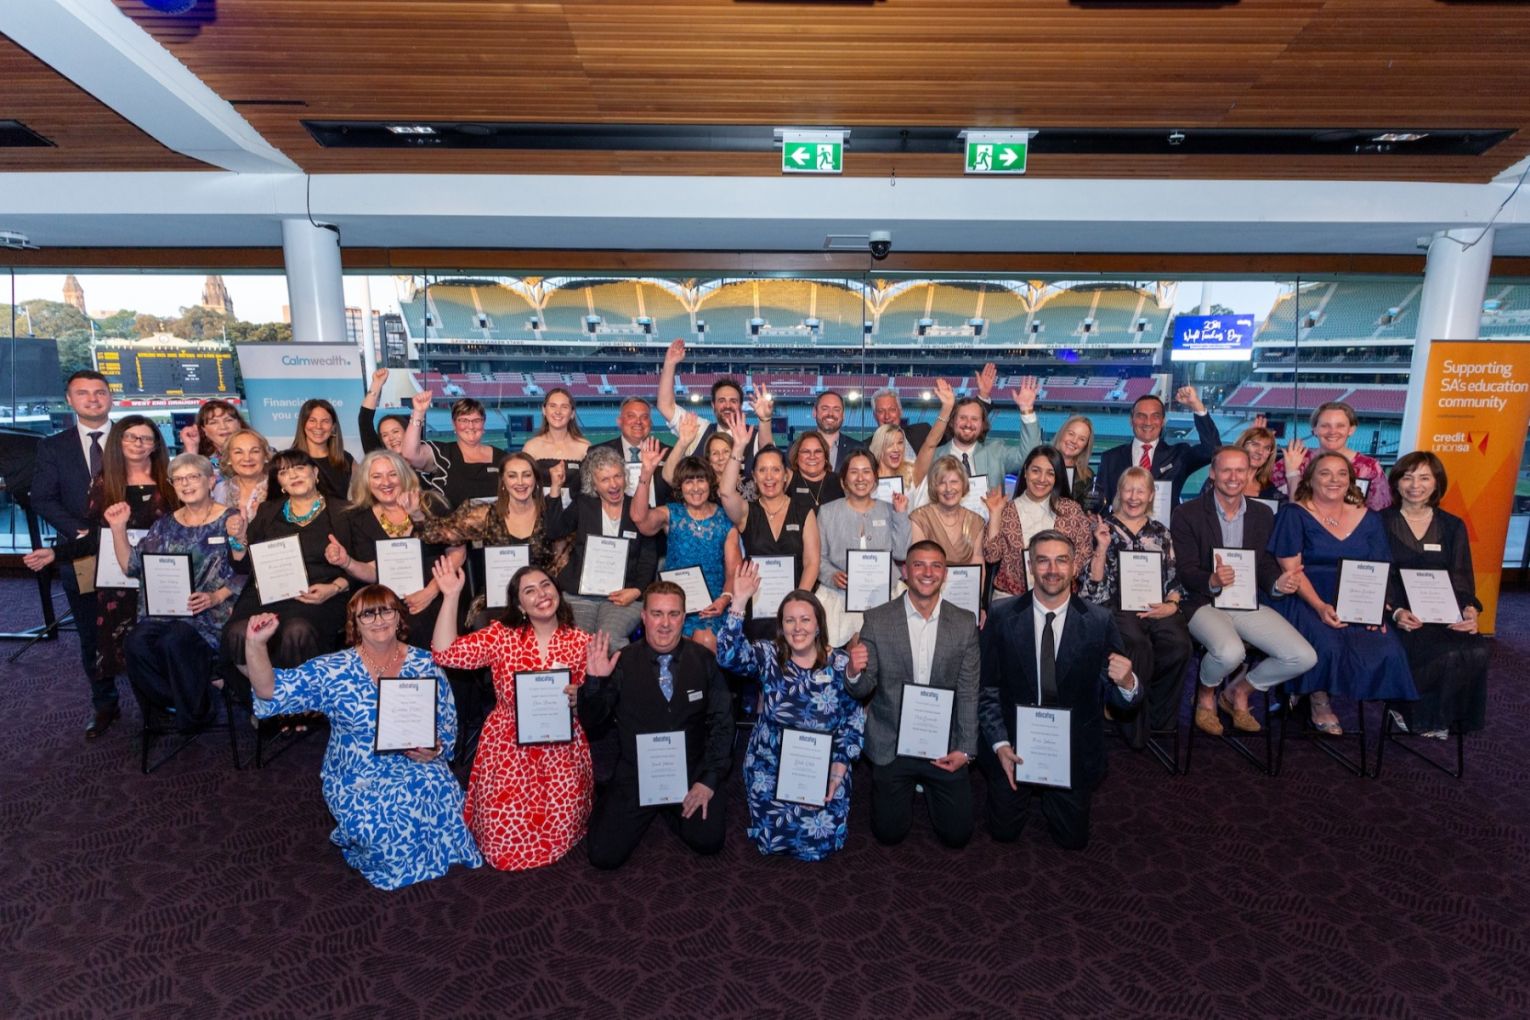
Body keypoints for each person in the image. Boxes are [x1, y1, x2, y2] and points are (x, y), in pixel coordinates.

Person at [242, 594, 483, 890]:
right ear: (354, 624)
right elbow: (269, 691)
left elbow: (445, 728)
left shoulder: (426, 663)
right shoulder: (333, 670)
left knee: (446, 808)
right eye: (367, 615)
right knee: (384, 832)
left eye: (386, 611)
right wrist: (256, 644)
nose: (379, 620)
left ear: (399, 617)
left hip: (416, 764)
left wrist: (433, 751)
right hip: (357, 774)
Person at [978, 529, 1143, 850]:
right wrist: (1000, 744)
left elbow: (1122, 702)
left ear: (1074, 565)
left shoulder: (1098, 621)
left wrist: (1127, 684)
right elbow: (987, 689)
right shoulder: (1001, 616)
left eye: (1061, 561)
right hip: (1014, 741)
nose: (1052, 570)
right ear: (1030, 565)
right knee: (1002, 833)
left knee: (1073, 841)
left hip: (1071, 746)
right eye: (1043, 561)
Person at [431, 558, 595, 871]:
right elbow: (446, 653)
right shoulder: (501, 636)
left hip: (561, 749)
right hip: (508, 747)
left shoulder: (581, 642)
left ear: (557, 591)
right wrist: (451, 596)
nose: (541, 595)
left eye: (546, 585)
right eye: (529, 591)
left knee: (558, 831)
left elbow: (598, 706)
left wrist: (583, 695)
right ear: (519, 605)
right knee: (500, 845)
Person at [30, 416, 178, 722]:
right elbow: (95, 537)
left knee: (158, 642)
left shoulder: (172, 481)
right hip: (117, 579)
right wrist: (54, 553)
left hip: (162, 577)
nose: (138, 444)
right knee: (114, 643)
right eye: (131, 437)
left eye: (146, 438)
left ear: (156, 444)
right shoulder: (104, 482)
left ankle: (159, 707)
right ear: (118, 443)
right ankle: (109, 709)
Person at [578, 582, 734, 869]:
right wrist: (595, 683)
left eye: (673, 614)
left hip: (690, 770)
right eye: (657, 613)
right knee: (603, 856)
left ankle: (666, 807)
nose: (664, 623)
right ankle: (628, 802)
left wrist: (708, 780)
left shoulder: (703, 661)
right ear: (644, 617)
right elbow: (592, 721)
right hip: (636, 771)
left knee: (709, 841)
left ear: (684, 617)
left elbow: (723, 722)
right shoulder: (621, 662)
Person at [717, 566, 866, 861]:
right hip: (770, 763)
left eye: (805, 620)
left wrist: (839, 768)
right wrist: (738, 603)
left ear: (819, 624)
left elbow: (854, 719)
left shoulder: (840, 663)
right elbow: (727, 656)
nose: (798, 628)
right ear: (781, 626)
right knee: (774, 842)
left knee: (822, 843)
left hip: (822, 766)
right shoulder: (768, 656)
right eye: (790, 620)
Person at [1268, 450, 1417, 735]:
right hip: (1305, 596)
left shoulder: (1370, 519)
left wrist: (1376, 609)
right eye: (1325, 473)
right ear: (1310, 479)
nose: (1333, 480)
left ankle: (1392, 708)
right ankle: (1319, 699)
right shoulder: (1293, 513)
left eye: (1341, 474)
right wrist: (1321, 607)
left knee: (1386, 646)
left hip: (1357, 595)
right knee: (1327, 644)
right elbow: (1293, 571)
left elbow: (1379, 567)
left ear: (1351, 481)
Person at [1171, 446, 1316, 736]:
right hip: (1203, 601)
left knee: (1302, 656)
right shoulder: (1187, 513)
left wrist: (1278, 584)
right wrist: (1211, 579)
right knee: (1230, 653)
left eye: (1241, 470)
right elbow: (1184, 570)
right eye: (1226, 470)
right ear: (1213, 473)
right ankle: (1205, 695)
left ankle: (1238, 691)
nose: (1233, 477)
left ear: (1250, 473)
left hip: (1246, 602)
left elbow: (1262, 563)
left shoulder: (1262, 514)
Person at [845, 540, 980, 849]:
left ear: (945, 573)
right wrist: (853, 671)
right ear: (905, 571)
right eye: (919, 565)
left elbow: (969, 691)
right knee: (888, 835)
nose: (927, 572)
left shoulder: (963, 623)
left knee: (958, 836)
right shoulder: (878, 619)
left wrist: (966, 750)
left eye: (936, 566)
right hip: (892, 741)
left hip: (943, 745)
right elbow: (863, 688)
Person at [107, 453, 243, 732]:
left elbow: (248, 572)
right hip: (166, 612)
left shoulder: (231, 520)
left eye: (193, 476)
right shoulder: (166, 525)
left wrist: (216, 596)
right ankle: (186, 701)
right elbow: (133, 567)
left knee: (175, 642)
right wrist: (118, 529)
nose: (186, 483)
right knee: (136, 643)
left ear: (211, 480)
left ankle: (192, 710)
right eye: (179, 479)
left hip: (213, 614)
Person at [26, 370, 117, 736]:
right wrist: (78, 532)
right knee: (92, 632)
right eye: (83, 393)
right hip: (80, 554)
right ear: (69, 400)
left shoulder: (134, 438)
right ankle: (105, 704)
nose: (93, 399)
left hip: (133, 546)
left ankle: (154, 703)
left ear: (111, 397)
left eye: (100, 392)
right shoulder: (53, 446)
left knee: (144, 627)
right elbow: (42, 497)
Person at [1381, 451, 1489, 739]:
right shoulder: (1378, 522)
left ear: (1436, 483)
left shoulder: (1453, 525)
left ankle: (1441, 715)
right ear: (1397, 483)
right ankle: (1408, 707)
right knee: (1439, 651)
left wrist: (1469, 610)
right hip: (1398, 611)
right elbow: (1377, 577)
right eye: (1408, 476)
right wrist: (1395, 612)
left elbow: (1461, 576)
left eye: (1424, 477)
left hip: (1443, 610)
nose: (1415, 484)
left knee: (1476, 648)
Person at [1081, 466, 1192, 740]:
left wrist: (1171, 604)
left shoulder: (1160, 532)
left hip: (1156, 604)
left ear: (1151, 495)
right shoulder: (1102, 528)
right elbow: (1092, 590)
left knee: (1179, 644)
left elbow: (1173, 577)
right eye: (1128, 489)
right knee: (1137, 645)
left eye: (1140, 490)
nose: (1133, 497)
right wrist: (1102, 548)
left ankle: (1160, 718)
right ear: (1119, 493)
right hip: (1115, 605)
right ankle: (1132, 724)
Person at [222, 449, 355, 674]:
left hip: (320, 596)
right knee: (239, 631)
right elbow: (244, 566)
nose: (293, 475)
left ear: (315, 473)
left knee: (297, 630)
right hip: (266, 596)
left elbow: (362, 566)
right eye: (284, 472)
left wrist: (333, 588)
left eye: (299, 468)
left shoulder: (343, 511)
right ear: (280, 482)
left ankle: (300, 705)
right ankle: (262, 701)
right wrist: (238, 540)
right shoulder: (267, 511)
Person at [327, 450, 451, 647]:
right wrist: (347, 562)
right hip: (385, 601)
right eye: (376, 476)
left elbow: (456, 552)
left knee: (421, 624)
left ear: (404, 475)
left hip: (435, 591)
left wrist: (430, 591)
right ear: (366, 482)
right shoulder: (358, 517)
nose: (386, 482)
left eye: (392, 474)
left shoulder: (432, 504)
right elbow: (372, 571)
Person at [545, 444, 660, 648]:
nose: (613, 484)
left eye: (617, 476)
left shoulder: (639, 507)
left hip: (624, 594)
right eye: (605, 479)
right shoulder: (583, 504)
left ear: (625, 477)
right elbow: (554, 531)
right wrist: (555, 487)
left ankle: (621, 681)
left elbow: (648, 555)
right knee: (577, 642)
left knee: (611, 640)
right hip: (581, 594)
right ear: (593, 484)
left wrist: (637, 590)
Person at [630, 438, 740, 649]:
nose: (696, 488)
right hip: (674, 600)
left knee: (706, 640)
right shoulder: (671, 513)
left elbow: (734, 572)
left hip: (713, 603)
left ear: (710, 483)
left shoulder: (726, 521)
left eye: (701, 480)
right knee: (668, 638)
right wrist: (646, 473)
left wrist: (724, 600)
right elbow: (639, 518)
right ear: (681, 486)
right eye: (689, 481)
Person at [422, 450, 558, 599]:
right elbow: (439, 533)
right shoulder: (486, 514)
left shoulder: (551, 515)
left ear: (536, 480)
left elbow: (560, 568)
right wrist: (416, 515)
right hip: (497, 601)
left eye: (526, 475)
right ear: (503, 481)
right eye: (512, 476)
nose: (520, 482)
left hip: (541, 601)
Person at [718, 441, 820, 636]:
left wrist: (797, 603)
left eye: (775, 470)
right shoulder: (747, 512)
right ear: (754, 477)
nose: (769, 477)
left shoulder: (804, 512)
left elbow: (812, 562)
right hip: (756, 605)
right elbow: (725, 492)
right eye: (762, 470)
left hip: (796, 607)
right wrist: (738, 449)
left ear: (785, 476)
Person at [816, 449, 912, 646]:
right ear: (843, 480)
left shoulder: (889, 509)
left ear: (875, 479)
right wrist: (831, 575)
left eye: (867, 471)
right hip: (839, 596)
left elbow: (902, 553)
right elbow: (818, 558)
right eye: (854, 472)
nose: (861, 478)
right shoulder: (827, 512)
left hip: (885, 595)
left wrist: (901, 514)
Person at [983, 445, 1093, 602]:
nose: (1042, 479)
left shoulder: (1071, 510)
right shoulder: (1006, 510)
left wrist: (1064, 573)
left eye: (1050, 473)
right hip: (1011, 599)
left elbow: (1085, 550)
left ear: (1057, 478)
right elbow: (992, 556)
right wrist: (995, 514)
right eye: (1036, 471)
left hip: (1059, 599)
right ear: (1026, 472)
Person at [1096, 386, 1221, 512]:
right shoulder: (1110, 458)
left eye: (1155, 416)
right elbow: (1101, 503)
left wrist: (1196, 405)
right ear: (1131, 420)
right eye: (1141, 416)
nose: (1148, 422)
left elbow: (1213, 450)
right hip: (1120, 530)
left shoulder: (1179, 455)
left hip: (1165, 529)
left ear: (1163, 421)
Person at [657, 339, 773, 459]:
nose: (727, 405)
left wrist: (765, 419)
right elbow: (665, 406)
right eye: (721, 400)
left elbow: (769, 456)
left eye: (733, 401)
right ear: (713, 405)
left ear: (740, 405)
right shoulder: (699, 430)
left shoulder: (753, 436)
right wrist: (669, 364)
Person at [935, 366, 1041, 491]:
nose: (968, 424)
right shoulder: (935, 457)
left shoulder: (996, 453)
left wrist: (1026, 409)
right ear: (952, 421)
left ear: (983, 425)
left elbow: (1030, 455)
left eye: (975, 419)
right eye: (963, 418)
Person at [1274, 401, 1391, 511]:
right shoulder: (1294, 459)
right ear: (1314, 429)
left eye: (1340, 426)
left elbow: (1379, 510)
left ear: (1351, 429)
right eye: (1325, 425)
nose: (1332, 431)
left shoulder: (1370, 467)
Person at [401, 391, 506, 510]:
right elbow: (410, 454)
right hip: (451, 526)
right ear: (453, 425)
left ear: (483, 423)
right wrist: (419, 412)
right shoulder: (443, 453)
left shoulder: (502, 458)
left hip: (495, 526)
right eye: (463, 420)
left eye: (476, 420)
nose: (470, 426)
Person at [909, 456, 985, 566]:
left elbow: (978, 563)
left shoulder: (976, 522)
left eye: (954, 482)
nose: (948, 489)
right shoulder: (919, 518)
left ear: (963, 484)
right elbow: (917, 564)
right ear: (934, 487)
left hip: (965, 583)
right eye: (942, 483)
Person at [597, 395, 672, 505]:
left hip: (657, 519)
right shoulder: (597, 454)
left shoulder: (668, 454)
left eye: (644, 417)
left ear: (650, 422)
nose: (638, 422)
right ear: (619, 421)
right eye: (631, 416)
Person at [522, 386, 591, 496]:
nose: (558, 411)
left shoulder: (585, 447)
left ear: (572, 413)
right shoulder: (531, 447)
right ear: (544, 410)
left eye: (564, 407)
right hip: (540, 511)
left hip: (577, 512)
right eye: (552, 406)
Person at [294, 398, 355, 501]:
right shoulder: (290, 461)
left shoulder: (345, 459)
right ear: (303, 424)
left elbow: (365, 491)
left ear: (333, 427)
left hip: (341, 517)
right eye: (312, 420)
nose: (318, 426)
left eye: (325, 421)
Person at [213, 428, 272, 522]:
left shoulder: (278, 488)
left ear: (265, 456)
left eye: (255, 451)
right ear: (228, 458)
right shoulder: (221, 489)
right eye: (238, 452)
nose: (247, 458)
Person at [357, 368, 411, 456]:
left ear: (407, 432)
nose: (391, 438)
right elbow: (364, 421)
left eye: (395, 431)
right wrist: (376, 384)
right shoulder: (380, 458)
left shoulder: (424, 457)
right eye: (385, 435)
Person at [785, 430, 843, 509]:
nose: (812, 456)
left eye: (818, 451)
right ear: (796, 457)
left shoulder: (840, 481)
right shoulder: (788, 480)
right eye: (806, 452)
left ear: (825, 457)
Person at [812, 391, 865, 470]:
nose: (830, 414)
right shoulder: (797, 447)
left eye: (836, 409)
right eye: (825, 408)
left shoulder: (859, 448)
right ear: (814, 412)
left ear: (843, 415)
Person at [1053, 415, 1097, 505]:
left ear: (1086, 445)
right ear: (1062, 433)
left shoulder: (1087, 476)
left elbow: (1085, 510)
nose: (1074, 441)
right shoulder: (1039, 464)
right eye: (1071, 434)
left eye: (1082, 439)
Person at [193, 399, 247, 470]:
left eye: (228, 420)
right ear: (203, 429)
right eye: (213, 422)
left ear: (239, 424)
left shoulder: (259, 452)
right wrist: (191, 447)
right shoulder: (202, 463)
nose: (223, 427)